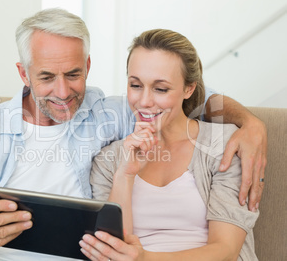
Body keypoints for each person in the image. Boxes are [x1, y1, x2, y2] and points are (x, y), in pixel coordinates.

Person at [0, 9, 265, 261]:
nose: (62, 92)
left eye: (73, 74)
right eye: (46, 77)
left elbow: (196, 100)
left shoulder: (114, 113)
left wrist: (252, 124)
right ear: (23, 73)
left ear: (88, 66)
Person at [80, 29, 259, 260]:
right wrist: (125, 174)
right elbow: (112, 248)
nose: (144, 101)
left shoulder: (224, 145)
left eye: (160, 89)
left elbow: (225, 251)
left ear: (189, 88)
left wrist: (144, 258)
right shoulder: (108, 160)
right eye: (135, 85)